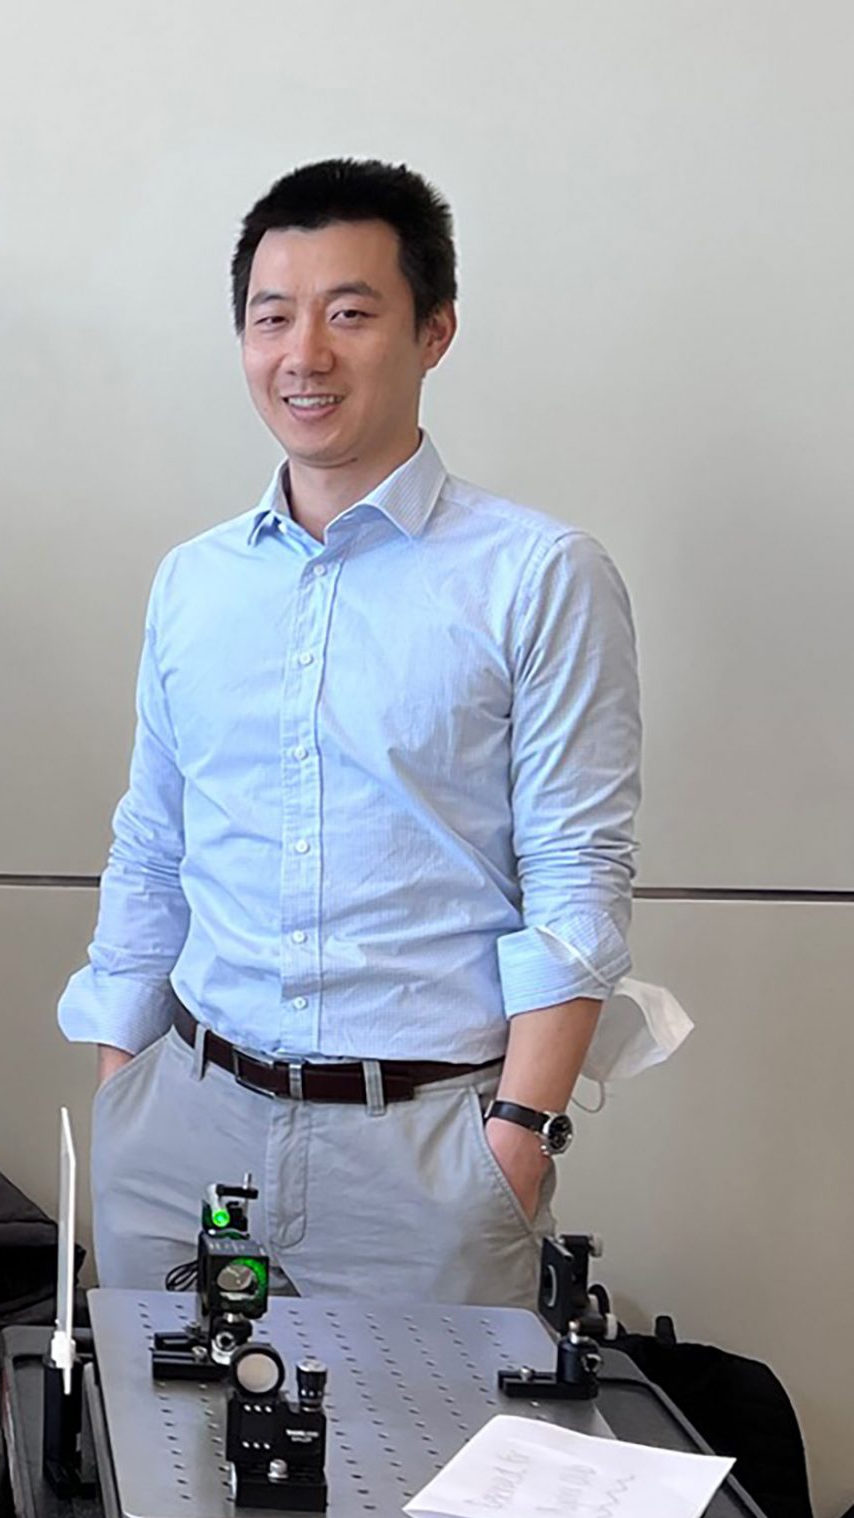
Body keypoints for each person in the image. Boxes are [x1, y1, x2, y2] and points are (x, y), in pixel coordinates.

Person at [59, 159, 643, 1308]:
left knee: (419, 1482)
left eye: (349, 313)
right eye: (271, 317)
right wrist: (124, 1093)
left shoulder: (539, 575)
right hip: (187, 1130)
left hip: (428, 1147)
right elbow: (153, 846)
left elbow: (578, 873)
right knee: (160, 1472)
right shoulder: (194, 583)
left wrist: (517, 1133)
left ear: (435, 331)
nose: (303, 353)